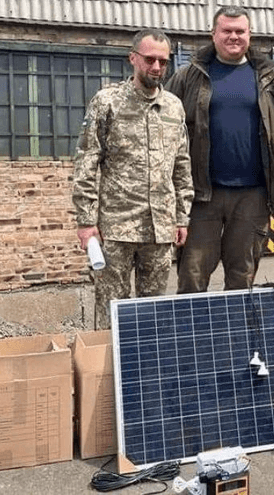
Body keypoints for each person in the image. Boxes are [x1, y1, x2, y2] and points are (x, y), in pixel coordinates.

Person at [165, 6, 274, 294]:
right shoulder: (188, 76)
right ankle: (191, 338)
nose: (233, 36)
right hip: (202, 195)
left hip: (253, 196)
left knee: (242, 278)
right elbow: (165, 134)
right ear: (213, 34)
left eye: (240, 31)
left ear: (249, 35)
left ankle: (233, 338)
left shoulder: (271, 79)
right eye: (226, 31)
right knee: (192, 275)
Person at [72, 29, 194, 329]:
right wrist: (86, 222)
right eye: (149, 60)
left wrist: (181, 217)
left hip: (160, 229)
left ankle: (146, 373)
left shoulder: (174, 107)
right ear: (133, 58)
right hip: (116, 228)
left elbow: (181, 164)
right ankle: (106, 374)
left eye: (163, 62)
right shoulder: (107, 102)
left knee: (152, 314)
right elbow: (87, 161)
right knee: (112, 311)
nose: (156, 68)